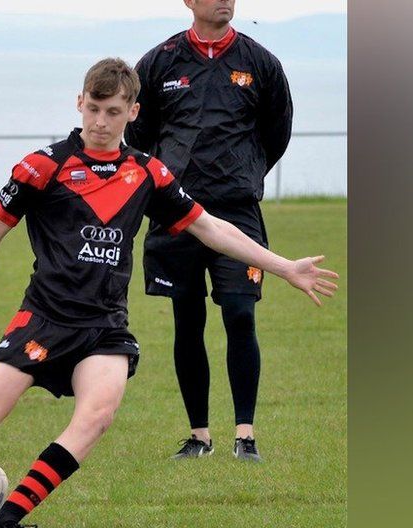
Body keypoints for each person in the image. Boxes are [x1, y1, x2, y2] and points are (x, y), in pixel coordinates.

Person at [0, 58, 336, 528]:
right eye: (93, 108)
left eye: (113, 111)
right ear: (79, 103)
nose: (100, 121)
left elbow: (210, 227)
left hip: (104, 328)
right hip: (44, 318)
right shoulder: (42, 167)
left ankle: (4, 520)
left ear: (132, 113)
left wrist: (284, 265)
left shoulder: (148, 174)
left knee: (96, 416)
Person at [126, 0, 294, 462]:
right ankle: (199, 436)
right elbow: (139, 133)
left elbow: (277, 132)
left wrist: (246, 172)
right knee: (188, 319)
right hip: (176, 211)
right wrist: (171, 175)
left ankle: (246, 435)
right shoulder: (160, 61)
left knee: (240, 313)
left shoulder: (261, 63)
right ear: (189, 1)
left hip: (237, 211)